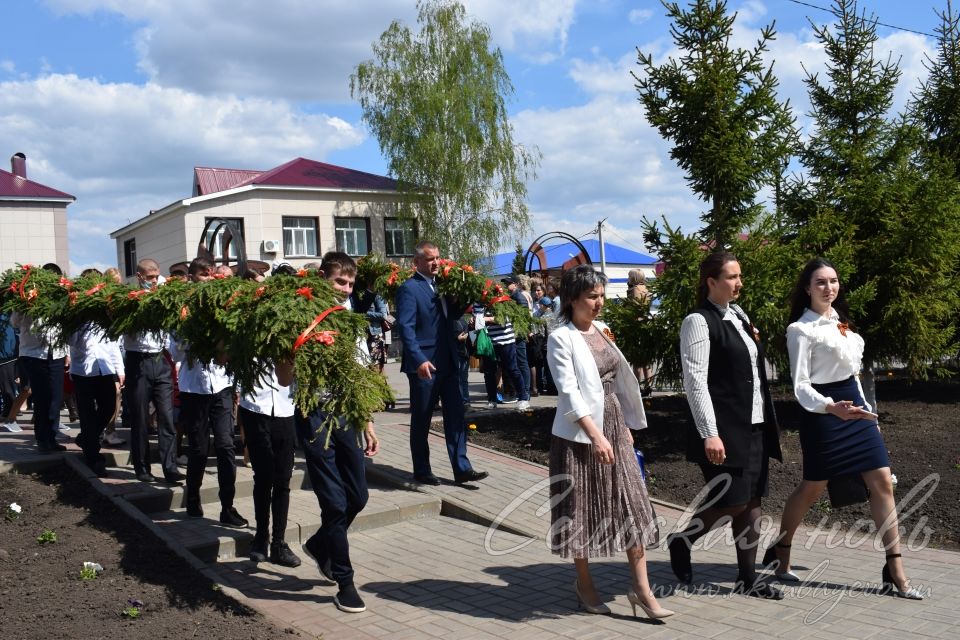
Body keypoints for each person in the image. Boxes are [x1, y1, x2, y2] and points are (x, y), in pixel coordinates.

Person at [764, 257, 922, 599]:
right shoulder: (800, 330)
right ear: (807, 288)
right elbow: (800, 386)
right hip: (823, 413)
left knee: (882, 482)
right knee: (813, 488)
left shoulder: (843, 325)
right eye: (820, 282)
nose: (828, 288)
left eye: (833, 281)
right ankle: (783, 551)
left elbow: (853, 377)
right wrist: (829, 407)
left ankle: (895, 566)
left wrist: (870, 415)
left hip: (856, 408)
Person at [547, 265, 672, 620]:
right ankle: (584, 584)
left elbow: (617, 381)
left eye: (602, 295)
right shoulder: (562, 338)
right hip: (579, 433)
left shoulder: (603, 329)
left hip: (614, 425)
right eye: (591, 296)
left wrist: (623, 427)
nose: (599, 303)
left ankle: (642, 590)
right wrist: (596, 434)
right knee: (580, 507)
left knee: (633, 501)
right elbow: (568, 393)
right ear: (572, 299)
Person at [669, 252, 783, 600]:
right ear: (711, 282)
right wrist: (710, 432)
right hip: (723, 428)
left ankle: (747, 578)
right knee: (732, 500)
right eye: (732, 277)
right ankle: (682, 541)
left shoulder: (740, 316)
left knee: (752, 502)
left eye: (739, 276)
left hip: (755, 424)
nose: (739, 283)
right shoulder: (698, 322)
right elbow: (696, 382)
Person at [298, 251, 380, 614]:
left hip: (346, 413)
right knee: (333, 503)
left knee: (358, 497)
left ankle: (318, 544)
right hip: (314, 414)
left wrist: (368, 421)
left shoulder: (350, 318)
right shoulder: (304, 315)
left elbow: (360, 374)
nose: (346, 289)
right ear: (322, 278)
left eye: (350, 284)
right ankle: (345, 582)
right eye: (339, 282)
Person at [396, 240, 487, 485]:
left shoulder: (443, 286)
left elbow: (452, 316)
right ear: (417, 263)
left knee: (456, 415)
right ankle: (422, 470)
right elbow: (405, 327)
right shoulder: (409, 288)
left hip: (448, 361)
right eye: (429, 258)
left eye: (437, 257)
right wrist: (418, 360)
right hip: (424, 365)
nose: (435, 262)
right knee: (422, 418)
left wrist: (464, 296)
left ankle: (462, 469)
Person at [169, 257, 247, 528]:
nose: (209, 278)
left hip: (222, 386)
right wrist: (198, 336)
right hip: (194, 389)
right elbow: (176, 352)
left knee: (226, 446)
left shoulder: (227, 306)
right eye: (203, 274)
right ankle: (193, 498)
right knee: (199, 449)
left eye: (212, 273)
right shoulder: (184, 309)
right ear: (192, 277)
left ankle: (228, 507)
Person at [123, 258, 181, 483]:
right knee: (140, 417)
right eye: (150, 278)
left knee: (166, 417)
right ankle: (142, 467)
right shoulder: (128, 301)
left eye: (157, 277)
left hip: (161, 360)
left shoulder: (163, 296)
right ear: (139, 277)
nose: (155, 281)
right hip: (138, 361)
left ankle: (170, 467)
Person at [241, 358, 301, 568]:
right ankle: (260, 537)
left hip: (285, 408)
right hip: (255, 406)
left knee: (283, 480)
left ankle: (279, 543)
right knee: (263, 477)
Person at [67, 270, 124, 477]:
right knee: (87, 413)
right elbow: (73, 342)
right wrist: (81, 317)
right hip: (83, 371)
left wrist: (120, 369)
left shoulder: (107, 311)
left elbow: (114, 343)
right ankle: (94, 457)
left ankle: (87, 438)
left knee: (109, 407)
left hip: (105, 368)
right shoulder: (76, 312)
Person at [11, 263, 68, 453]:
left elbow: (63, 328)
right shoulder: (29, 295)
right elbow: (15, 323)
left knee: (56, 397)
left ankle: (52, 436)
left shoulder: (61, 298)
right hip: (34, 353)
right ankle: (42, 438)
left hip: (57, 353)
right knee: (43, 397)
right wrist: (24, 305)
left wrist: (66, 351)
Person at [101, 267, 126, 447]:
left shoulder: (121, 300)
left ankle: (110, 430)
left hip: (118, 351)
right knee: (112, 393)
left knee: (116, 393)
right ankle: (106, 430)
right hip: (104, 355)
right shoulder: (101, 303)